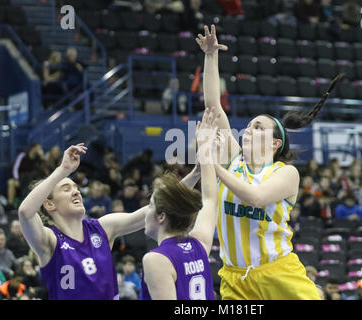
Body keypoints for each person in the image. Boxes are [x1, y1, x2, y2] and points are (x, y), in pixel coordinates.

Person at [195, 25, 341, 300]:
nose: (249, 129)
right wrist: (211, 56)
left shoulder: (286, 174)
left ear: (275, 143)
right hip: (235, 277)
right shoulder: (234, 160)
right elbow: (213, 107)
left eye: (258, 127)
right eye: (249, 125)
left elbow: (256, 197)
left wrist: (210, 164)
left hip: (278, 273)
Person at [17, 143, 149, 300]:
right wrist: (62, 170)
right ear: (49, 204)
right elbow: (25, 212)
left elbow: (153, 210)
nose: (76, 192)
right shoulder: (50, 241)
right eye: (66, 189)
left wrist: (186, 182)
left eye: (76, 188)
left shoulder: (103, 228)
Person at [141, 111, 219, 300]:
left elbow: (209, 199)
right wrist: (206, 150)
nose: (145, 212)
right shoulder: (199, 244)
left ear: (161, 216)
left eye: (149, 206)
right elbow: (210, 198)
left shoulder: (155, 259)